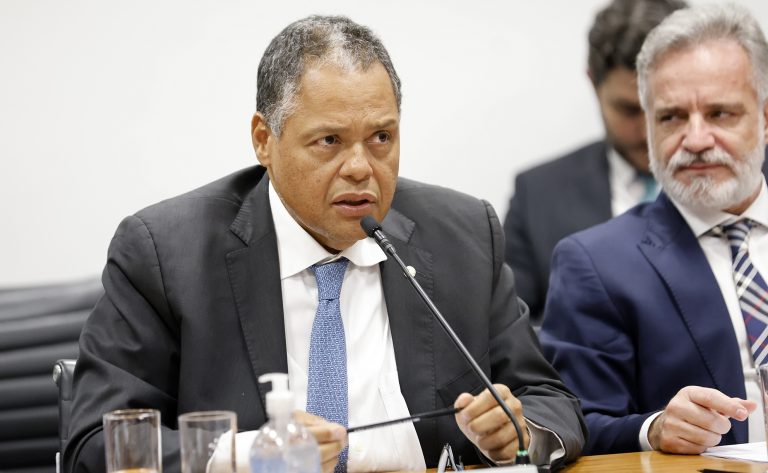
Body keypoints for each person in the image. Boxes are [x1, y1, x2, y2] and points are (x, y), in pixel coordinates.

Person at [64, 15, 586, 473]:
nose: (360, 167)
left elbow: (551, 402)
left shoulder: (464, 235)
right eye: (330, 141)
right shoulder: (165, 253)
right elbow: (96, 443)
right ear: (264, 140)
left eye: (381, 138)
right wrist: (251, 457)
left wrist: (520, 433)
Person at [540, 3, 768, 455]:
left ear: (764, 118)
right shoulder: (596, 263)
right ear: (647, 125)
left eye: (721, 114)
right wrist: (654, 428)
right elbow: (575, 425)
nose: (696, 140)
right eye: (671, 117)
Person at [503, 0, 687, 325]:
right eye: (630, 110)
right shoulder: (538, 195)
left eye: (667, 110)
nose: (648, 130)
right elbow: (509, 332)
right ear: (593, 83)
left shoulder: (754, 179)